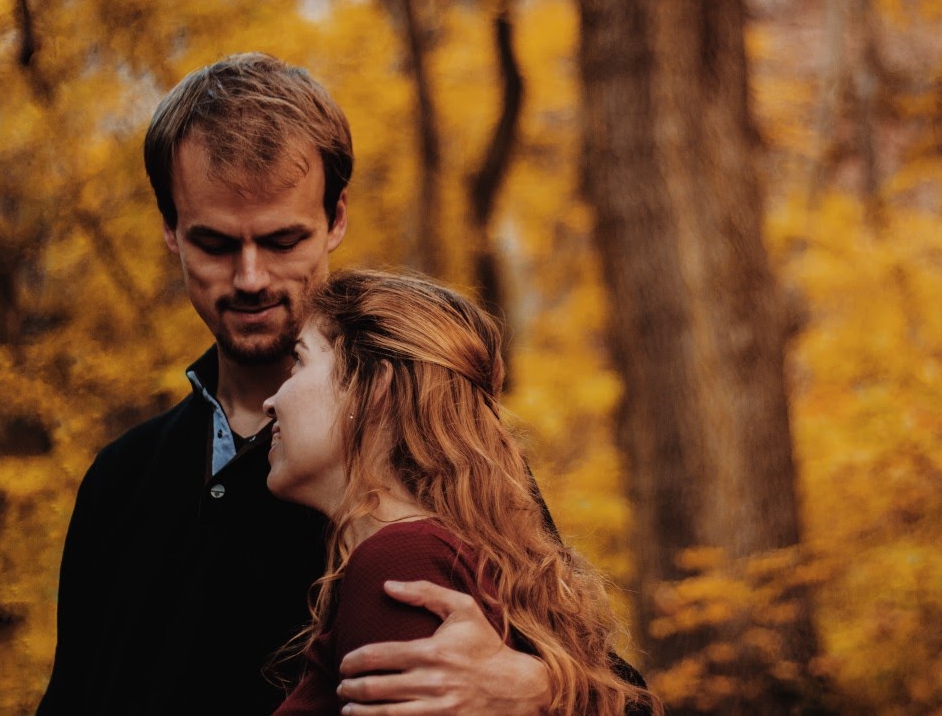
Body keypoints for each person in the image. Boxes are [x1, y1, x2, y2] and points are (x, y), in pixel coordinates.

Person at [38, 53, 552, 714]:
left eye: (282, 240)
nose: (251, 277)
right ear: (170, 228)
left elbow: (616, 685)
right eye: (217, 244)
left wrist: (529, 686)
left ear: (336, 218)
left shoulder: (430, 450)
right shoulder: (121, 477)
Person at [264, 269, 660, 715]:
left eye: (299, 360)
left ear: (374, 387)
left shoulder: (400, 562)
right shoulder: (438, 552)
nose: (271, 400)